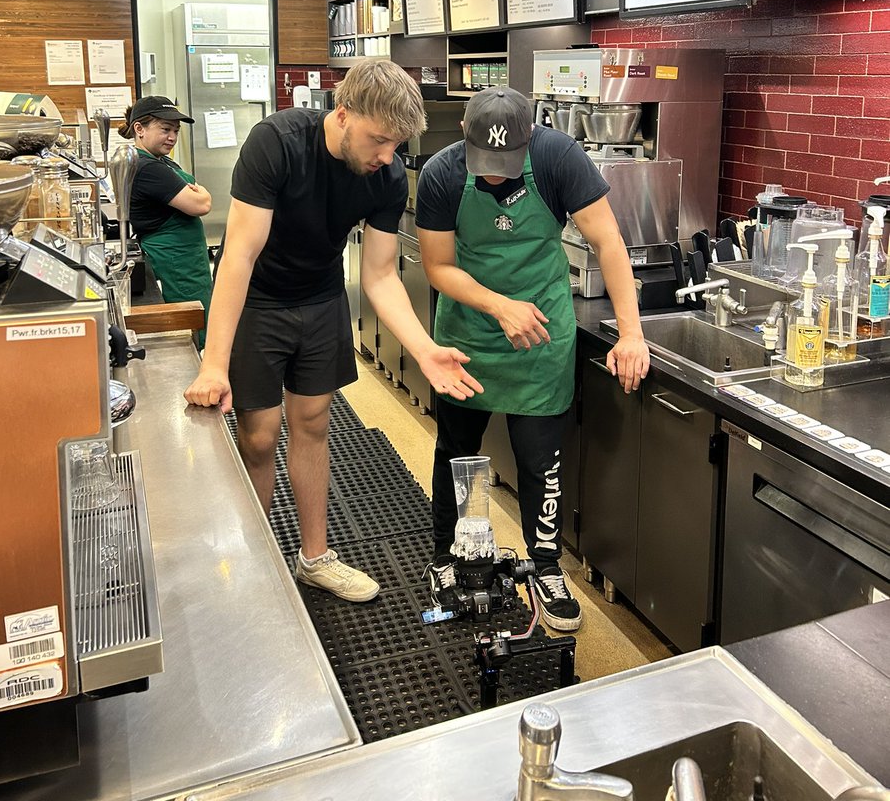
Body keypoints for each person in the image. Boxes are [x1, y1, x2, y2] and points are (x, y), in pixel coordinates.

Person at [183, 61, 482, 604]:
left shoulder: (386, 176)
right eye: (379, 140)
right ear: (343, 114)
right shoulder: (276, 143)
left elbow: (381, 273)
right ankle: (257, 559)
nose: (388, 156)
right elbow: (238, 257)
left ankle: (314, 558)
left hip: (321, 298)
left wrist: (425, 349)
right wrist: (213, 363)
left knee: (313, 421)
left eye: (397, 145)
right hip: (259, 300)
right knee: (258, 434)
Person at [416, 86, 650, 632]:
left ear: (529, 141)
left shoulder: (558, 156)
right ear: (465, 141)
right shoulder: (443, 174)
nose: (494, 175)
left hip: (541, 336)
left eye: (506, 163)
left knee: (540, 462)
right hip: (468, 338)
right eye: (484, 164)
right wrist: (498, 306)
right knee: (456, 451)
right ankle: (446, 558)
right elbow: (437, 266)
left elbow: (608, 242)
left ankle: (545, 568)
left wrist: (631, 333)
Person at [119, 96, 213, 347]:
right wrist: (202, 192)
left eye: (175, 131)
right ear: (139, 129)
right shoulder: (148, 167)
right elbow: (200, 204)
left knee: (201, 318)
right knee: (191, 326)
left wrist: (197, 193)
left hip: (187, 258)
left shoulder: (159, 161)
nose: (172, 137)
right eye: (165, 129)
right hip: (176, 261)